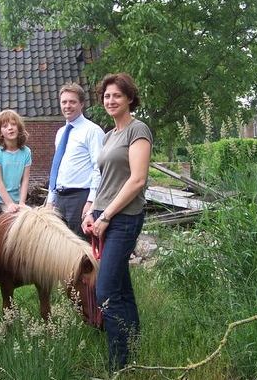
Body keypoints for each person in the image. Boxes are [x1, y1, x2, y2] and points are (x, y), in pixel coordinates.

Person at [81, 73, 153, 371]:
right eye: (107, 96)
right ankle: (133, 343)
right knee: (121, 286)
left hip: (123, 218)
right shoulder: (110, 135)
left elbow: (137, 180)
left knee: (107, 290)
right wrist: (91, 212)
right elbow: (105, 181)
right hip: (103, 215)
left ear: (129, 99)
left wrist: (107, 215)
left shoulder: (139, 130)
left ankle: (117, 363)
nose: (111, 100)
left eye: (117, 96)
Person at [47, 82, 105, 237]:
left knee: (80, 249)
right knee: (58, 246)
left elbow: (99, 168)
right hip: (59, 199)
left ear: (82, 104)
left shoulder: (92, 131)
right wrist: (50, 200)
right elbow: (57, 167)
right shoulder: (60, 133)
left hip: (80, 198)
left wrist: (91, 202)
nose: (67, 106)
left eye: (72, 102)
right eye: (64, 102)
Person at [0, 110, 32, 224]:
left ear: (19, 128)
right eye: (5, 126)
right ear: (0, 132)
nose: (10, 128)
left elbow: (25, 180)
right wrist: (9, 204)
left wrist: (22, 203)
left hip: (16, 199)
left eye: (13, 124)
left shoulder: (26, 152)